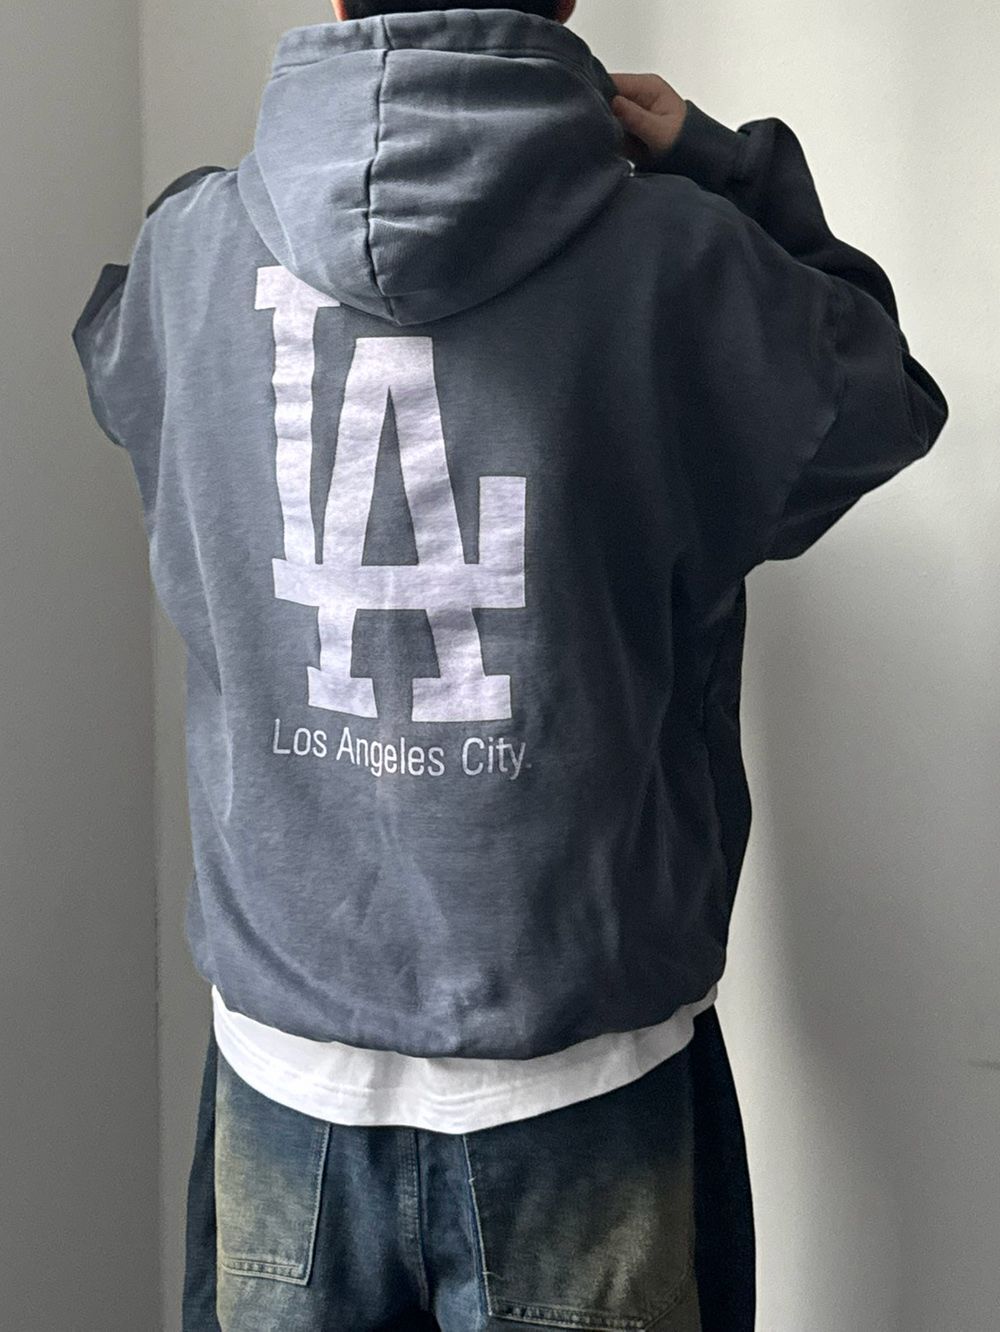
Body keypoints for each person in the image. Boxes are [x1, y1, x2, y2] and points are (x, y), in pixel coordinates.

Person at [71, 0, 949, 1328]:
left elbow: (121, 369)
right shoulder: (686, 260)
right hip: (585, 1084)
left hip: (284, 1083)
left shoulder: (190, 250)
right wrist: (729, 168)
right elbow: (880, 396)